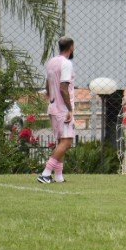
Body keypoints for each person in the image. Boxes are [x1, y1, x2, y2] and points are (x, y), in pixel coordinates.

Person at [38, 37, 76, 184]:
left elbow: (48, 84)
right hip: (63, 110)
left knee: (61, 141)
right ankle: (45, 174)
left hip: (53, 107)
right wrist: (70, 109)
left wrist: (52, 98)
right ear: (71, 47)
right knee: (67, 142)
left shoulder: (52, 62)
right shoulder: (66, 63)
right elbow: (63, 88)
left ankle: (58, 176)